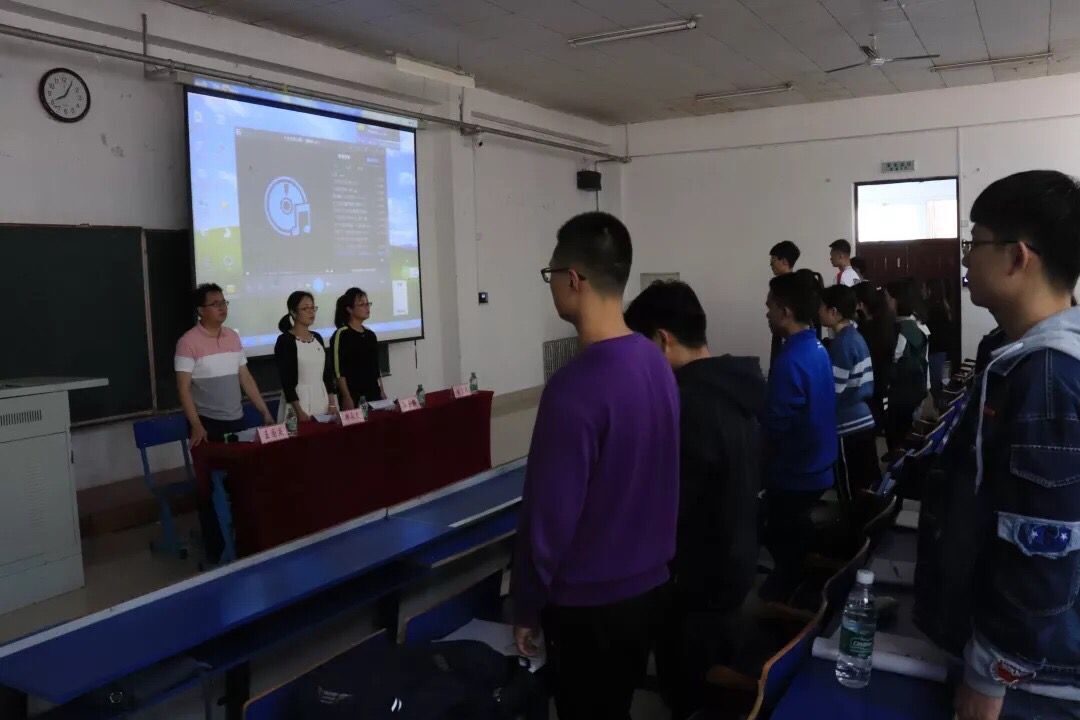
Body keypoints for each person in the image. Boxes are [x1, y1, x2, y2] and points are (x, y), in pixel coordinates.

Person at [914, 170, 1080, 720]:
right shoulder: (1018, 355)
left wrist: (992, 673)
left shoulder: (1047, 375)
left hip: (1030, 681)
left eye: (974, 242)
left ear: (1016, 257)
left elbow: (1044, 548)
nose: (965, 259)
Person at [511, 212, 679, 720]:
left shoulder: (574, 388)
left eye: (550, 274)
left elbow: (548, 518)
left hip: (588, 605)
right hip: (649, 589)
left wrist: (526, 605)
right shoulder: (656, 363)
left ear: (573, 279)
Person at [624, 280, 766, 719]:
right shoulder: (737, 386)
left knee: (690, 692)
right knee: (715, 683)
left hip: (695, 585)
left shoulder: (685, 405)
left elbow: (668, 508)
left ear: (662, 340)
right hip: (736, 562)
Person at [760, 271, 837, 605]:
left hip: (797, 471)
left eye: (769, 306)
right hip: (820, 465)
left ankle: (787, 599)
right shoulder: (817, 347)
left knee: (771, 527)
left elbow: (774, 427)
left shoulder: (790, 359)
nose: (766, 313)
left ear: (785, 311)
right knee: (791, 530)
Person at [175, 283, 274, 447]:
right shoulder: (187, 342)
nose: (222, 308)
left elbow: (246, 378)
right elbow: (183, 389)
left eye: (223, 302)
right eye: (215, 304)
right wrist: (197, 425)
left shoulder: (232, 336)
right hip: (207, 423)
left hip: (237, 418)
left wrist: (265, 412)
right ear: (201, 310)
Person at [819, 285, 880, 505]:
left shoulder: (842, 343)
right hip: (863, 419)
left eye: (821, 307)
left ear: (833, 311)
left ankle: (854, 524)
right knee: (865, 482)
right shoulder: (854, 336)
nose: (818, 311)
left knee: (850, 486)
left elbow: (833, 391)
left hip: (848, 424)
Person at [273, 291, 336, 422]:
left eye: (313, 307)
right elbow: (287, 381)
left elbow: (327, 374)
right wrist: (298, 411)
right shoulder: (285, 341)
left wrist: (332, 402)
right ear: (293, 312)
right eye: (305, 308)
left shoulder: (317, 337)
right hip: (299, 403)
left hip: (322, 399)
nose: (311, 312)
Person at [884, 278, 930, 449]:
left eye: (887, 298)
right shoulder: (915, 326)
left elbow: (895, 361)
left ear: (896, 301)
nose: (885, 303)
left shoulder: (901, 330)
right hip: (915, 391)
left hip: (901, 395)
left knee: (899, 439)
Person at [329, 287, 384, 409]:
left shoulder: (370, 335)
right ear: (349, 309)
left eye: (368, 304)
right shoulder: (341, 334)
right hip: (353, 395)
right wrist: (346, 396)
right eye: (362, 304)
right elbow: (338, 371)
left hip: (374, 393)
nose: (367, 307)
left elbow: (376, 367)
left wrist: (382, 391)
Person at [854, 282, 897, 431]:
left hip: (872, 383)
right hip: (882, 381)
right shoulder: (886, 321)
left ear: (861, 304)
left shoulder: (867, 328)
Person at [770, 241, 803, 365]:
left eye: (773, 259)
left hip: (789, 339)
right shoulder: (779, 284)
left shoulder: (792, 287)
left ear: (784, 261)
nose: (770, 263)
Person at [925, 278, 957, 400]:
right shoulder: (945, 307)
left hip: (936, 353)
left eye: (925, 288)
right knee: (943, 383)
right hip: (946, 353)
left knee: (936, 386)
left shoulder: (934, 310)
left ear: (930, 290)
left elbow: (932, 334)